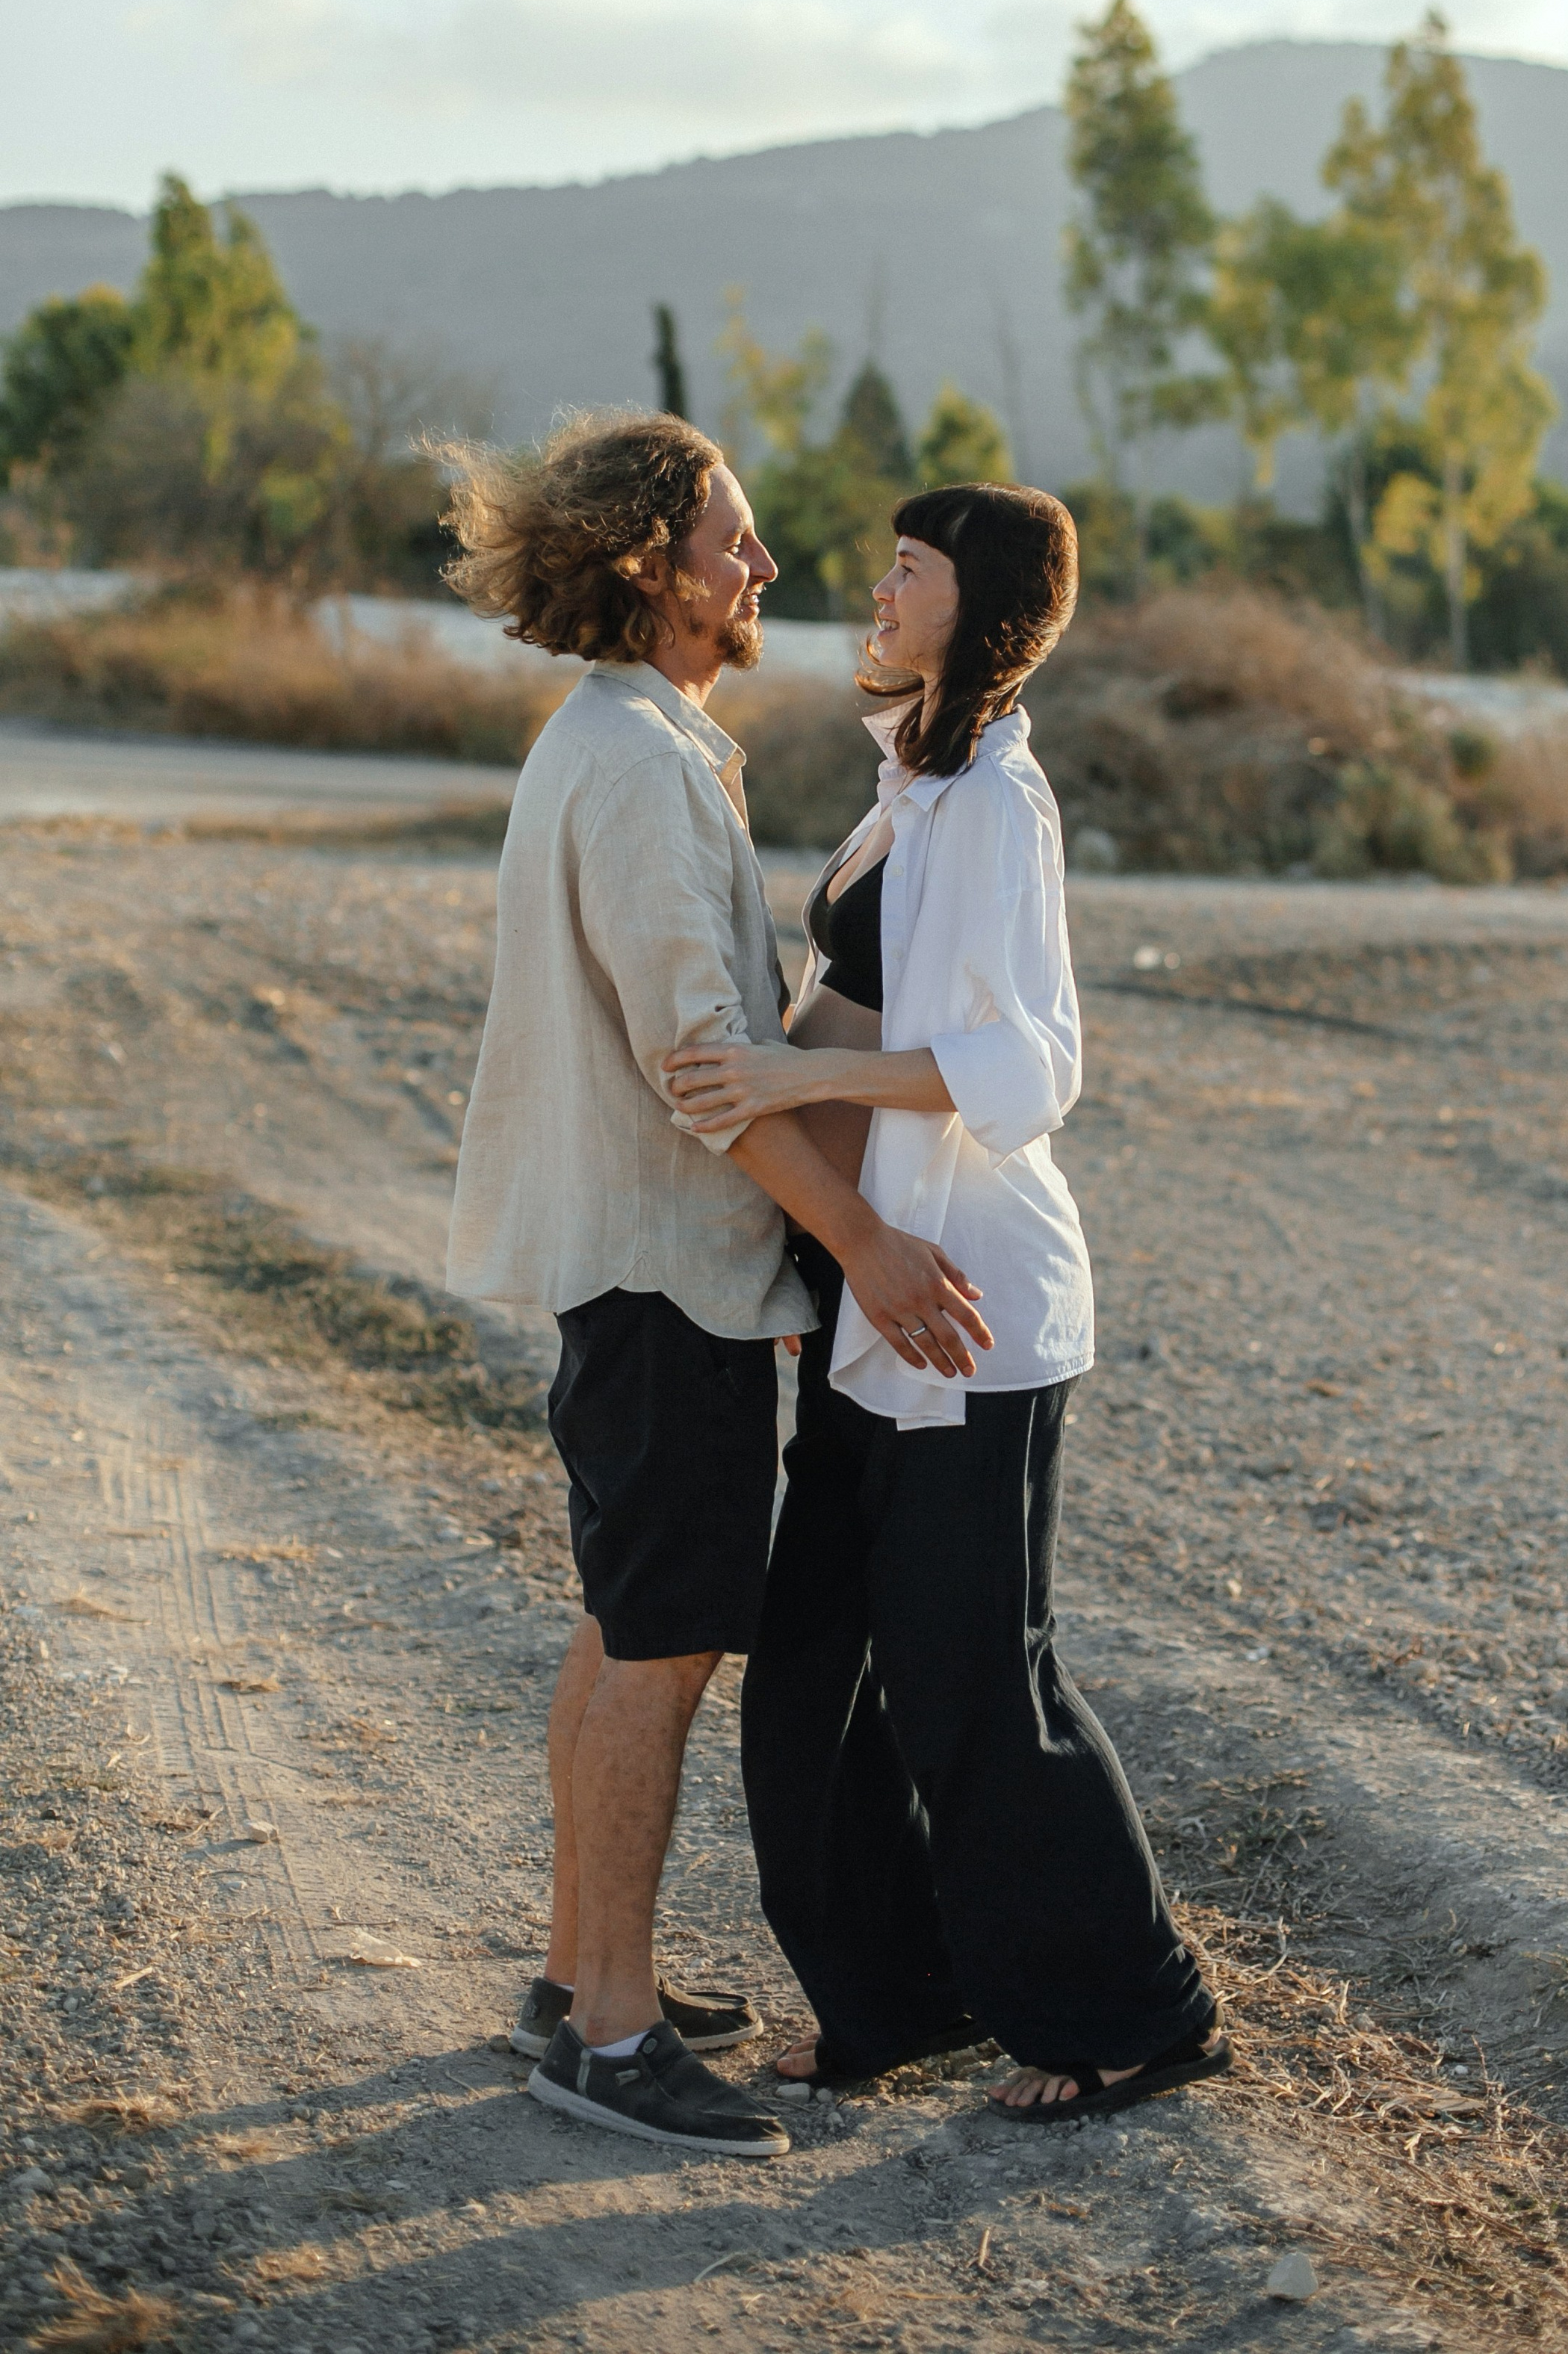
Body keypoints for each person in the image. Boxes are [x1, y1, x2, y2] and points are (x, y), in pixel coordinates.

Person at [441, 413, 990, 2161]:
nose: (762, 569)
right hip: (667, 1275)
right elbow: (704, 1069)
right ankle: (606, 2037)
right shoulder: (639, 764)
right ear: (647, 564)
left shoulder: (628, 739)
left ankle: (575, 1975)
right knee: (660, 1653)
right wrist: (868, 1245)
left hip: (635, 1267)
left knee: (622, 1622)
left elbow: (738, 1031)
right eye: (732, 540)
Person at [663, 482, 1229, 2124]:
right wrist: (787, 1201)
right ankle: (897, 1999)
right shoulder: (911, 779)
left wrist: (773, 1071)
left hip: (972, 1301)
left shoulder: (993, 801)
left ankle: (1138, 2012)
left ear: (970, 605)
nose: (872, 588)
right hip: (873, 1288)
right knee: (816, 1675)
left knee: (976, 1678)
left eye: (904, 571)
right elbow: (845, 1010)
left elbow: (1029, 1067)